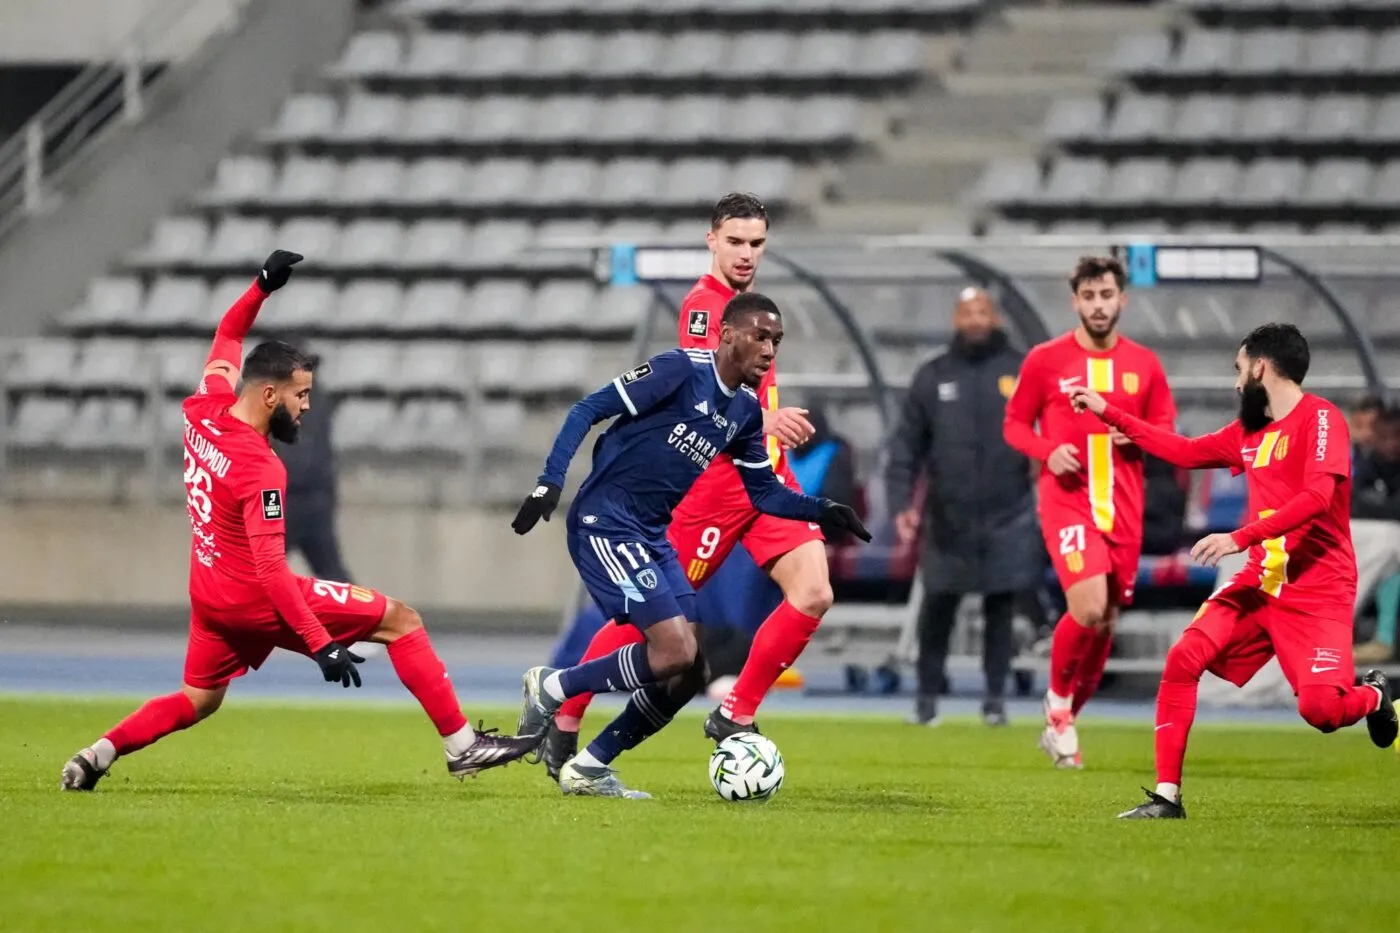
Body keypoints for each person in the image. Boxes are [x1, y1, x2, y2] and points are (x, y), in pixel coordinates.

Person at [60, 251, 538, 791]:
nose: (308, 406)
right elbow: (270, 569)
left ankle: (96, 755)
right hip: (252, 597)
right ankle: (463, 747)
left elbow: (226, 333)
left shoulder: (204, 409)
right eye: (300, 394)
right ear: (269, 395)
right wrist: (320, 643)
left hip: (209, 595)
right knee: (401, 621)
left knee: (197, 700)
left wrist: (262, 286)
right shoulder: (261, 469)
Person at [510, 292, 870, 798]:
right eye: (760, 337)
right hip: (606, 522)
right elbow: (588, 408)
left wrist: (823, 510)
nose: (770, 351)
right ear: (726, 334)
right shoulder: (678, 369)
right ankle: (554, 688)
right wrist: (549, 482)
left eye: (777, 341)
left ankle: (589, 767)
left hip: (651, 535)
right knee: (673, 649)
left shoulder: (744, 410)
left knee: (687, 670)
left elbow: (764, 491)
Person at [537, 193, 841, 779]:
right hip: (714, 487)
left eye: (756, 243)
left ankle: (735, 711)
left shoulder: (755, 311)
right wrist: (764, 416)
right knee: (655, 623)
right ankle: (568, 711)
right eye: (735, 242)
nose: (746, 253)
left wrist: (768, 423)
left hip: (765, 475)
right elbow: (703, 398)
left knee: (814, 593)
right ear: (712, 241)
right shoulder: (705, 307)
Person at [1069, 323, 1398, 819]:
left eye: (1239, 369)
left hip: (1317, 589)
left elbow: (1317, 498)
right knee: (1183, 659)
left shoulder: (1323, 418)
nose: (1235, 381)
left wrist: (1238, 537)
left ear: (1260, 367)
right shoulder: (1249, 431)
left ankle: (1374, 696)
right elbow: (1183, 450)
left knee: (1321, 711)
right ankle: (1166, 798)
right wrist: (1107, 411)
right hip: (1260, 583)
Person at [1003, 255, 1177, 769]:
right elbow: (1015, 425)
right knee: (1087, 608)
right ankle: (1057, 702)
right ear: (1075, 301)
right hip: (1068, 501)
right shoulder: (1046, 359)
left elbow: (1166, 428)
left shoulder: (1144, 364)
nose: (1098, 306)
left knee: (1105, 624)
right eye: (1089, 297)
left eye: (1106, 296)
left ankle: (1065, 721)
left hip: (1123, 507)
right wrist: (1046, 452)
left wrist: (1139, 434)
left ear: (1122, 299)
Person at [887, 287, 1040, 727]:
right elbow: (906, 447)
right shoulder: (933, 375)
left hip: (1008, 513)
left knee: (1000, 611)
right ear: (956, 319)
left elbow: (1049, 430)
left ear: (994, 317)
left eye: (982, 311)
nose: (975, 319)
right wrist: (901, 503)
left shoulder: (1020, 370)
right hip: (947, 516)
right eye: (967, 312)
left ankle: (995, 700)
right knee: (937, 610)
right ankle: (927, 700)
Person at [1352, 406, 1400, 664]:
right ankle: (1344, 635)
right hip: (1380, 539)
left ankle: (1384, 639)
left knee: (1391, 557)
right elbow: (1354, 502)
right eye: (1386, 437)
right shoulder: (1372, 462)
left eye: (1397, 437)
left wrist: (1381, 504)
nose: (1391, 444)